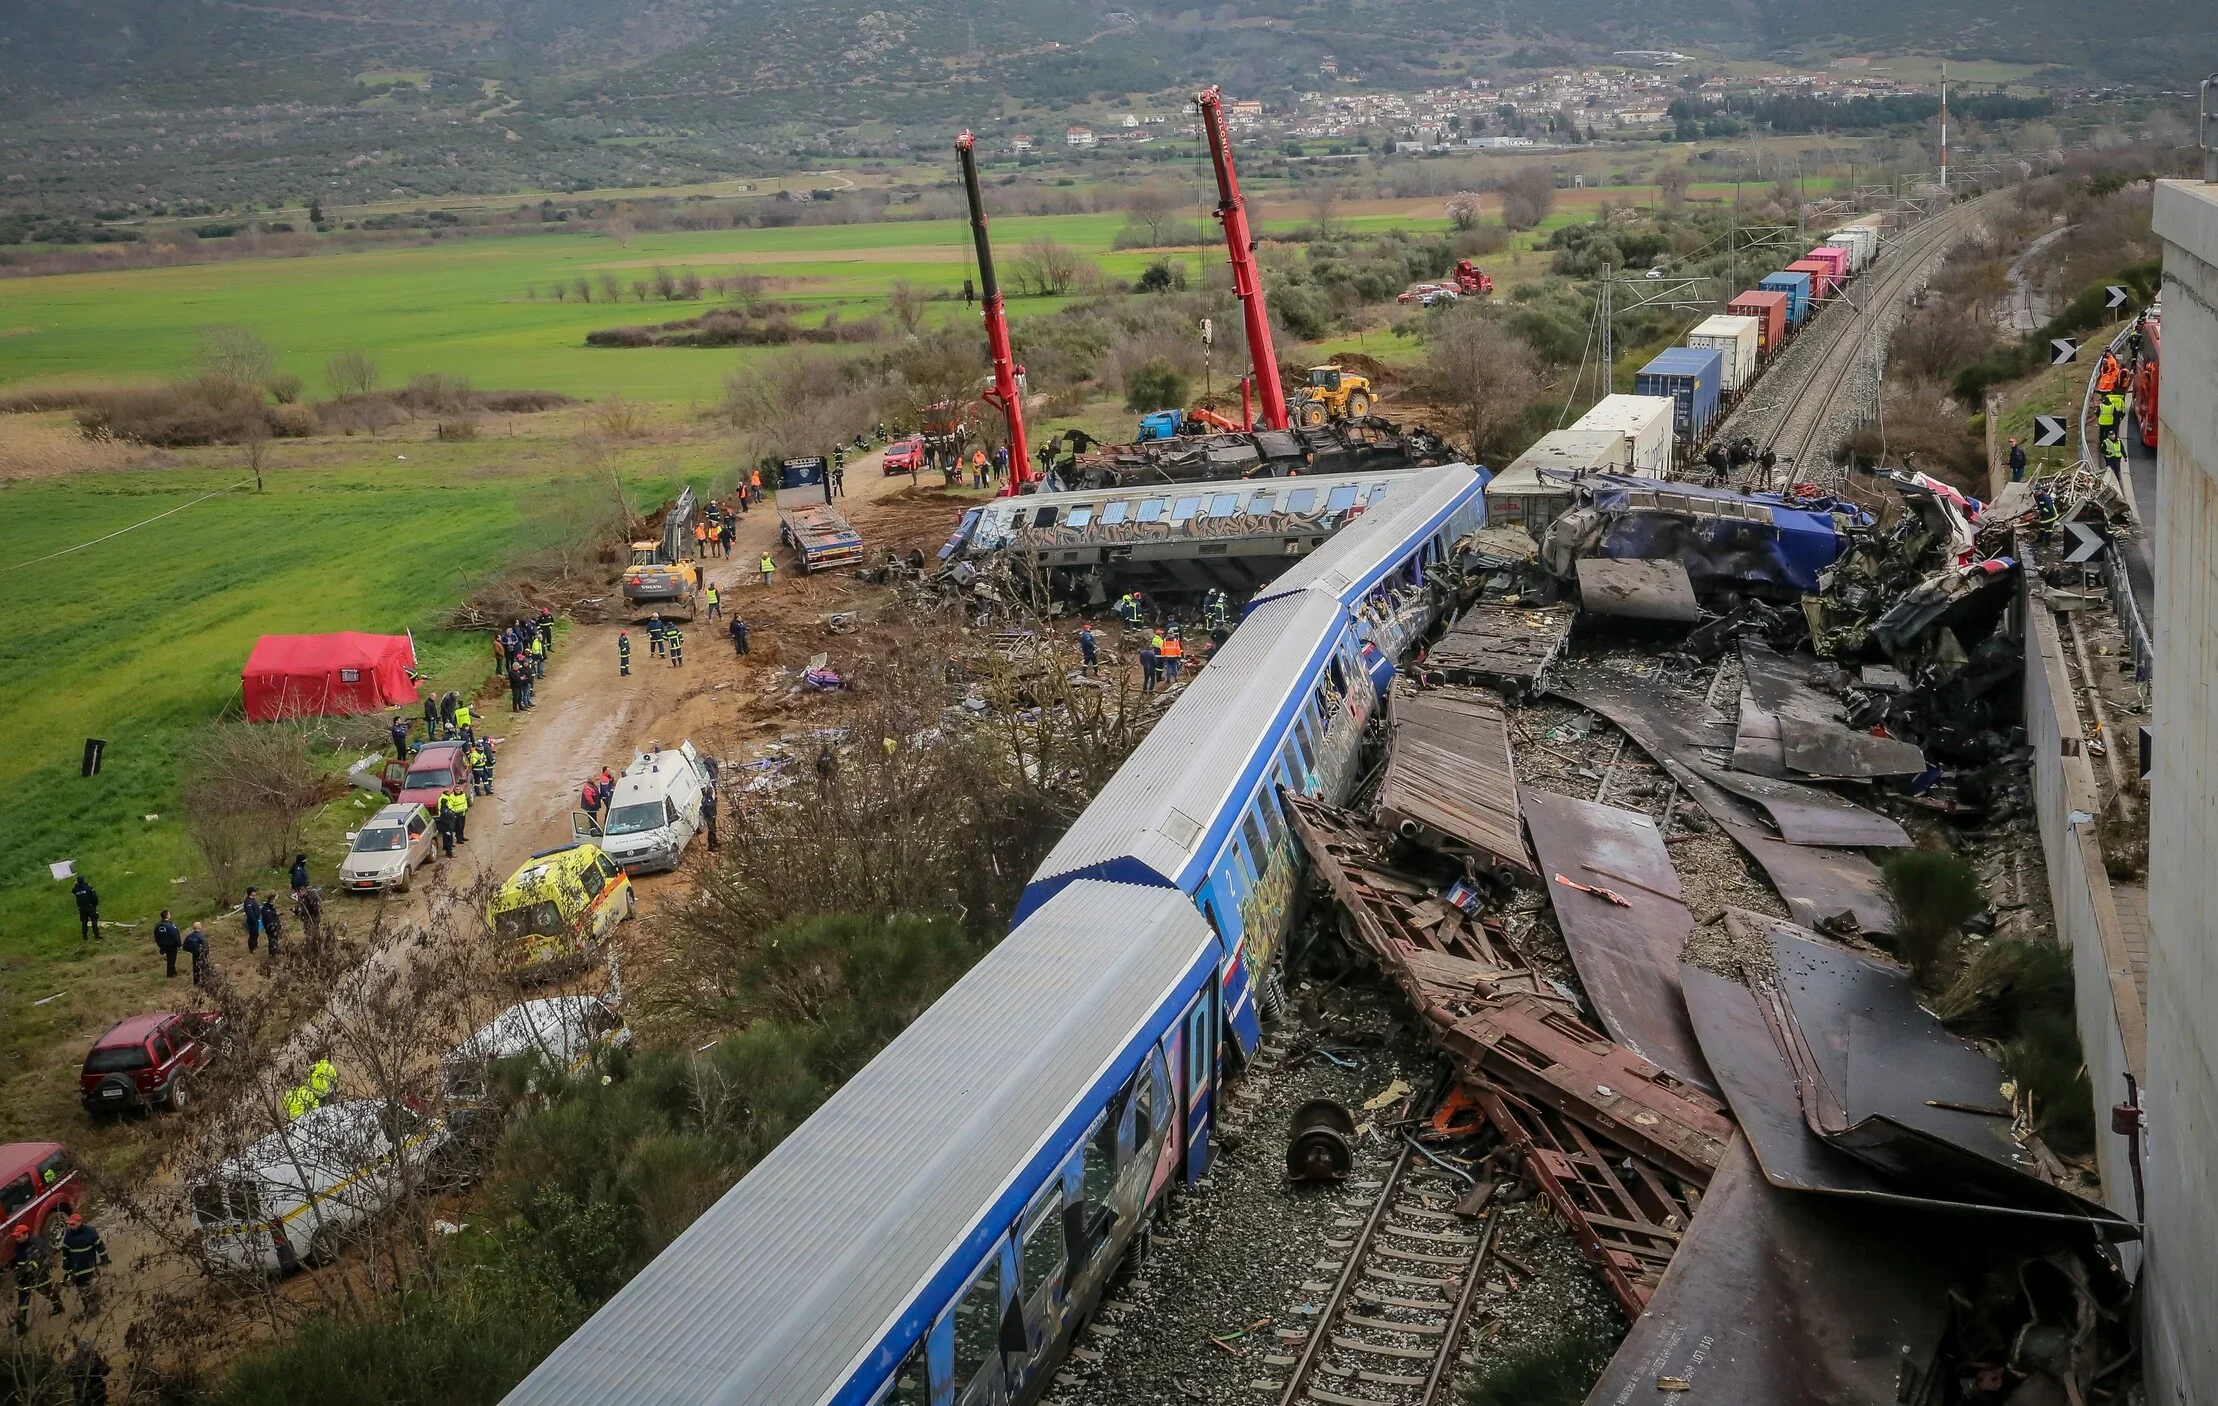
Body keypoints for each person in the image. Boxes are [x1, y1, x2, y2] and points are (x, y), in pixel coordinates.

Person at [9, 1222, 61, 1334]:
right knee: (22, 1301)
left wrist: (31, 1267)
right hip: (24, 1278)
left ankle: (58, 1306)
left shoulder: (36, 1242)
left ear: (26, 1234)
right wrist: (17, 1271)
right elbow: (18, 1260)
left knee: (47, 1292)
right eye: (16, 1237)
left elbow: (42, 1257)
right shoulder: (18, 1245)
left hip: (38, 1275)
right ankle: (21, 1327)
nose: (17, 1239)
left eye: (19, 1236)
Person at [57, 1216, 106, 1318]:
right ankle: (89, 1307)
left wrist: (104, 1259)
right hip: (76, 1268)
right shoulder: (68, 1235)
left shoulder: (90, 1232)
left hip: (88, 1266)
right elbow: (66, 1251)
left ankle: (93, 1310)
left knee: (86, 1288)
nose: (70, 1226)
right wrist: (66, 1264)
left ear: (80, 1222)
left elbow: (100, 1246)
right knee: (80, 1289)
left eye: (72, 1224)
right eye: (69, 1224)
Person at [292, 883, 323, 951]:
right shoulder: (301, 897)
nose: (297, 894)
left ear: (303, 890)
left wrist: (315, 919)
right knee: (308, 933)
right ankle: (312, 947)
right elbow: (299, 906)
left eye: (298, 892)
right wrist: (296, 911)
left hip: (313, 918)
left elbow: (316, 909)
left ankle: (316, 948)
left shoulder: (312, 896)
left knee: (313, 933)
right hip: (306, 919)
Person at [154, 909, 181, 978]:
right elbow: (175, 935)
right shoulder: (171, 925)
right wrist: (179, 944)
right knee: (172, 959)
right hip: (172, 945)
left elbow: (156, 936)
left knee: (169, 959)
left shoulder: (158, 925)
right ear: (167, 915)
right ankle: (171, 974)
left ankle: (173, 972)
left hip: (163, 945)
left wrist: (160, 945)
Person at [72, 875, 99, 941]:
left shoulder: (76, 889)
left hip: (82, 908)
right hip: (90, 906)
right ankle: (96, 936)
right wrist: (95, 904)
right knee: (94, 921)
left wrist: (76, 885)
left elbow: (73, 891)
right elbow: (95, 898)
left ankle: (85, 936)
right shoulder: (89, 888)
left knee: (84, 922)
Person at [259, 893, 282, 960]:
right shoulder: (266, 909)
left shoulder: (270, 907)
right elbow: (269, 919)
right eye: (275, 898)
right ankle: (272, 957)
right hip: (271, 928)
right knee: (272, 942)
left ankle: (274, 954)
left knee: (275, 941)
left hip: (274, 927)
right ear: (272, 899)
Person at [241, 888, 262, 954]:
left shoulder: (253, 900)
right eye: (254, 891)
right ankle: (251, 948)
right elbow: (250, 913)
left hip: (256, 919)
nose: (255, 892)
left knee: (256, 933)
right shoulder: (248, 902)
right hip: (252, 920)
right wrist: (254, 919)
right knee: (252, 934)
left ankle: (255, 945)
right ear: (251, 892)